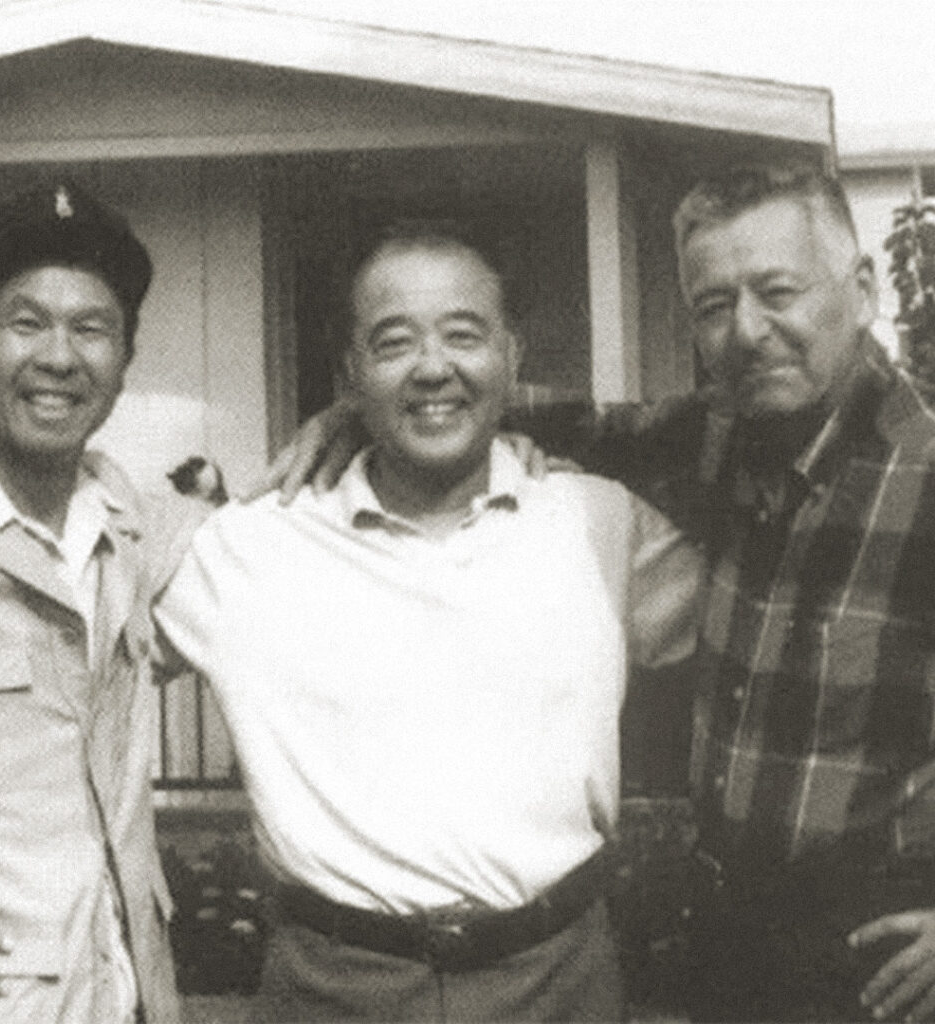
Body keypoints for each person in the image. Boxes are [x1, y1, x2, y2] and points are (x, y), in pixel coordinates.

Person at [275, 163, 935, 1023]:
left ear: (863, 287)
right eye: (713, 305)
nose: (748, 330)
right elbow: (546, 415)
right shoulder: (719, 439)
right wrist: (362, 408)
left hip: (884, 950)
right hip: (732, 941)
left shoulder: (924, 479)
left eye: (778, 291)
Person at [154, 222, 700, 1022]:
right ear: (350, 374)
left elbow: (804, 620)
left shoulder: (600, 524)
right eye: (394, 342)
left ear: (513, 357)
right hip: (331, 991)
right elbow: (52, 642)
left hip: (560, 984)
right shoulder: (255, 546)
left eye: (464, 336)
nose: (433, 368)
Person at [0, 184, 180, 1023]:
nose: (60, 357)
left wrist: (352, 426)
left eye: (92, 328)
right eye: (25, 323)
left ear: (124, 364)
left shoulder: (134, 525)